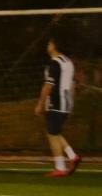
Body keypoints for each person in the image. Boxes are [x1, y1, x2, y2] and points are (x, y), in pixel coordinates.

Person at [34, 37, 80, 177]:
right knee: (54, 132)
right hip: (66, 103)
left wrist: (40, 104)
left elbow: (48, 86)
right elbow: (72, 85)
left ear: (54, 46)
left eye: (49, 43)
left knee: (52, 134)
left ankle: (60, 167)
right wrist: (71, 105)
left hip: (56, 102)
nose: (48, 45)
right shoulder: (69, 62)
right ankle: (72, 156)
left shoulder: (54, 63)